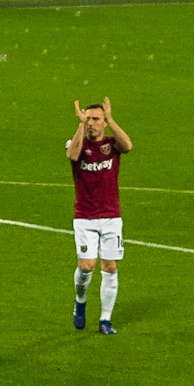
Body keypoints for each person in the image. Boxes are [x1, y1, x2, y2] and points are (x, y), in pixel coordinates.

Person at [67, 97, 133, 334]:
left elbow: (128, 146)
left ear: (104, 122)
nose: (91, 123)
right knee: (86, 266)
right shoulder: (77, 142)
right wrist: (79, 125)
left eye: (96, 119)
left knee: (110, 267)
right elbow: (72, 156)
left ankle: (105, 319)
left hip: (111, 216)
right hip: (84, 217)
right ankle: (80, 301)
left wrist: (111, 119)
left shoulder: (112, 145)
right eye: (88, 119)